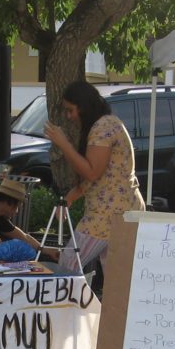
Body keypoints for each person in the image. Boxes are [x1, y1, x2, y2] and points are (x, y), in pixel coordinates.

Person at [44, 80, 145, 273]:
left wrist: (63, 144)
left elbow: (92, 172)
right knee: (115, 278)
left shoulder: (102, 127)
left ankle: (73, 295)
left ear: (83, 107)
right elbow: (100, 176)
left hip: (108, 215)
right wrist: (70, 198)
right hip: (122, 211)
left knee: (68, 265)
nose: (69, 116)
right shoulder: (108, 123)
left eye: (70, 110)